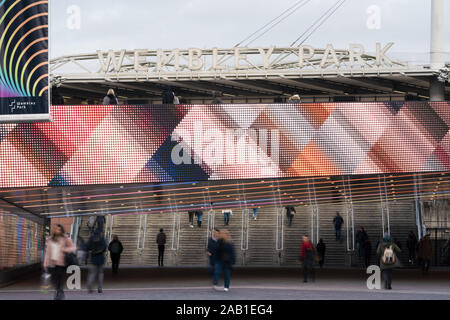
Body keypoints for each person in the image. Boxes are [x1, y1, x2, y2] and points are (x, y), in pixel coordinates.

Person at [43, 224, 76, 300]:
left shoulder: (65, 238)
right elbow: (48, 252)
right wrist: (45, 263)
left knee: (60, 279)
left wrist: (65, 249)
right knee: (55, 280)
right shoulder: (51, 239)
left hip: (61, 263)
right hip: (52, 263)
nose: (57, 231)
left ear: (61, 230)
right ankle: (60, 291)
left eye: (59, 229)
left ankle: (58, 293)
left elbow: (73, 247)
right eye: (56, 229)